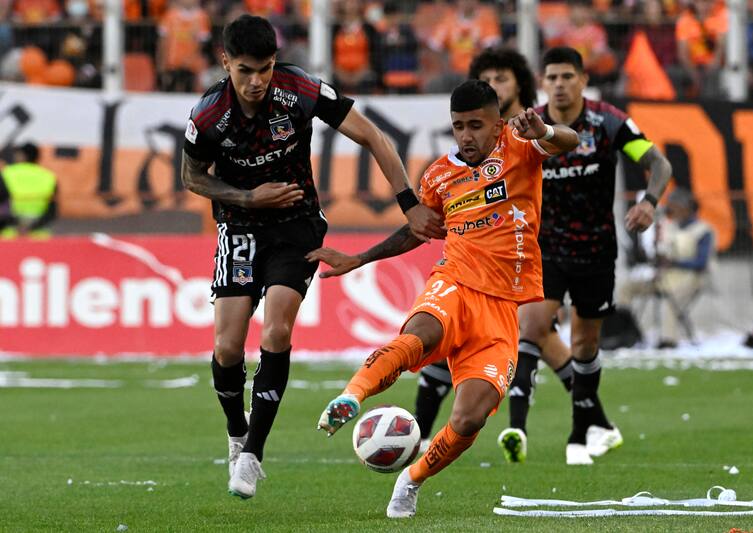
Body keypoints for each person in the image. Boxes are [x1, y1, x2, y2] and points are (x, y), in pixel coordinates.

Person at [180, 14, 444, 500]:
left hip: (298, 226)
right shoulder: (208, 115)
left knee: (278, 329)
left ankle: (254, 454)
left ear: (275, 62)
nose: (256, 81)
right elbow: (193, 178)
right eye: (244, 71)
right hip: (239, 225)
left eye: (263, 68)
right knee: (227, 349)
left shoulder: (299, 90)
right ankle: (237, 433)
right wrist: (248, 198)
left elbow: (372, 135)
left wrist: (408, 204)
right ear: (225, 64)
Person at [311, 79, 578, 518]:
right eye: (458, 126)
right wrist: (361, 258)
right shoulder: (438, 175)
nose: (467, 136)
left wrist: (544, 132)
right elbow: (419, 230)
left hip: (501, 309)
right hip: (454, 281)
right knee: (421, 333)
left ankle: (410, 479)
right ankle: (352, 396)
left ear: (498, 124)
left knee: (470, 417)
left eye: (476, 125)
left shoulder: (520, 145)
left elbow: (570, 141)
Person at [512, 47, 672, 466]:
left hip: (597, 248)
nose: (560, 84)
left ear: (584, 79)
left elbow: (658, 164)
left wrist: (650, 201)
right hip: (545, 247)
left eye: (568, 76)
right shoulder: (531, 125)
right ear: (542, 82)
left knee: (585, 341)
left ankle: (582, 430)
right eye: (552, 77)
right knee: (531, 325)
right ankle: (517, 428)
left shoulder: (610, 123)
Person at [410, 47, 546, 456]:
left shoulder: (529, 131)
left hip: (532, 245)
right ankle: (419, 431)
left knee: (537, 330)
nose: (498, 84)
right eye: (490, 78)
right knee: (445, 339)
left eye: (504, 77)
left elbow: (561, 147)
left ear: (519, 84)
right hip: (478, 262)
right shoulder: (468, 145)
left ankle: (522, 426)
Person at [617, 188, 715, 348]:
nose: (671, 209)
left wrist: (673, 263)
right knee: (627, 289)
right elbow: (661, 253)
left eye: (674, 205)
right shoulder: (670, 227)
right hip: (665, 277)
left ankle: (668, 341)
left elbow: (701, 263)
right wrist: (651, 252)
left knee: (670, 299)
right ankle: (625, 332)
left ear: (686, 207)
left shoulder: (703, 230)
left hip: (690, 280)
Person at [0, 142, 58, 238]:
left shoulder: (6, 174)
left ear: (22, 156)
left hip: (9, 233)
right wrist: (32, 227)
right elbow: (53, 209)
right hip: (38, 234)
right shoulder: (49, 176)